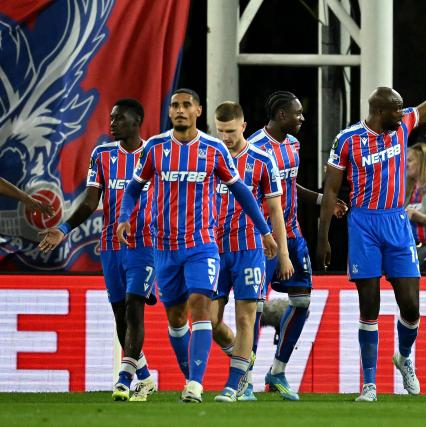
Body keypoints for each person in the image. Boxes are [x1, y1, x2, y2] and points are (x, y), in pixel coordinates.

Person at [317, 30, 426, 402]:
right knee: (369, 306)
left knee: (411, 305)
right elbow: (331, 190)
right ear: (379, 112)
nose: (404, 111)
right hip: (363, 222)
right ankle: (369, 384)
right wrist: (325, 236)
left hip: (397, 222)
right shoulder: (347, 139)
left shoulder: (403, 126)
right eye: (396, 108)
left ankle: (404, 356)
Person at [116, 89, 277, 403]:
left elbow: (241, 191)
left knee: (201, 308)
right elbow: (134, 187)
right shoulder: (155, 147)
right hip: (163, 247)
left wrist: (265, 231)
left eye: (186, 105)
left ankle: (196, 384)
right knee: (176, 319)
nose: (179, 110)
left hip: (202, 244)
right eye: (174, 105)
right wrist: (124, 216)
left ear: (198, 111)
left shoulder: (213, 149)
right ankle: (196, 374)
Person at [38, 99, 157, 401]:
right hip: (110, 245)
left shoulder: (155, 154)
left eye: (119, 118)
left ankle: (123, 380)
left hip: (143, 243)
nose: (112, 122)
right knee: (120, 315)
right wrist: (63, 229)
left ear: (137, 120)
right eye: (111, 117)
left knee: (134, 306)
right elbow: (91, 201)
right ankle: (144, 376)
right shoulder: (102, 155)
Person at [247, 91, 347, 401]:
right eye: (297, 113)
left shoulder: (293, 145)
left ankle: (277, 371)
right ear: (280, 116)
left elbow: (289, 186)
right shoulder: (254, 148)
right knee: (255, 307)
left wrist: (321, 201)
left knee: (302, 303)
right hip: (262, 237)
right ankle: (243, 379)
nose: (302, 118)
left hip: (293, 234)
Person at [209, 101, 294, 402]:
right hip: (213, 250)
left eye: (230, 131)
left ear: (243, 126)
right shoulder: (208, 157)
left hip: (248, 250)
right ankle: (240, 357)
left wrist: (283, 254)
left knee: (246, 318)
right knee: (210, 321)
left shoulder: (261, 160)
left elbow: (275, 210)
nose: (225, 138)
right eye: (220, 131)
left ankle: (235, 384)